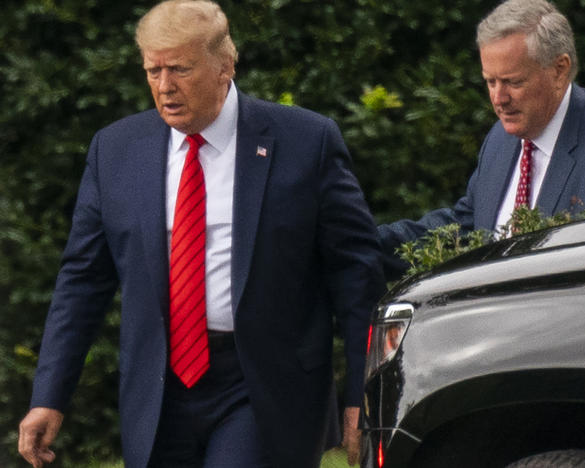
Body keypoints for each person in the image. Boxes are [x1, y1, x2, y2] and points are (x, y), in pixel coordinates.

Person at [18, 1, 385, 467]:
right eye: (153, 70)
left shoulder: (305, 142)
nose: (165, 87)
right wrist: (49, 395)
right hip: (159, 386)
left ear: (224, 66)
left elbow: (356, 275)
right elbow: (82, 281)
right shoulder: (115, 151)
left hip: (261, 386)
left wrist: (363, 392)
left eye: (180, 69)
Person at [379, 0, 585, 280]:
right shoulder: (502, 138)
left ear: (559, 70)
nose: (498, 99)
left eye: (513, 82)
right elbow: (468, 229)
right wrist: (358, 244)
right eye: (490, 82)